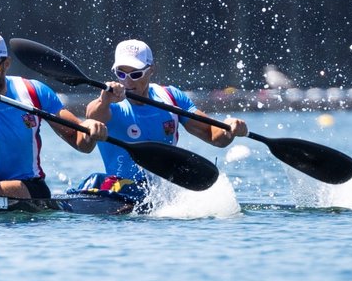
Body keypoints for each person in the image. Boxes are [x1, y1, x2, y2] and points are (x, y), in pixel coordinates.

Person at [0, 30, 107, 199]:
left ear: (5, 64)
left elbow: (80, 142)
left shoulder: (33, 92)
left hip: (27, 189)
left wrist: (90, 128)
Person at [80, 39, 248, 201]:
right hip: (118, 192)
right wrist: (105, 100)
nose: (127, 81)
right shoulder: (111, 103)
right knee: (94, 180)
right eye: (121, 74)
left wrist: (229, 129)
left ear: (151, 69)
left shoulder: (171, 97)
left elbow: (212, 134)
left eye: (136, 74)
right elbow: (92, 115)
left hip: (162, 196)